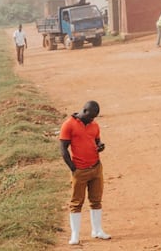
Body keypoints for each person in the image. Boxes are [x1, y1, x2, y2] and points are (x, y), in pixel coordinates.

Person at [59, 100, 111, 245]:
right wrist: (73, 168)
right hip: (79, 170)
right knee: (76, 203)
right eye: (91, 116)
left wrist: (100, 146)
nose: (93, 119)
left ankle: (97, 230)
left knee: (96, 201)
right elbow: (63, 148)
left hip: (96, 168)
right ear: (85, 111)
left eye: (95, 117)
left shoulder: (94, 125)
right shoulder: (68, 125)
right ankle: (75, 235)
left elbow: (97, 140)